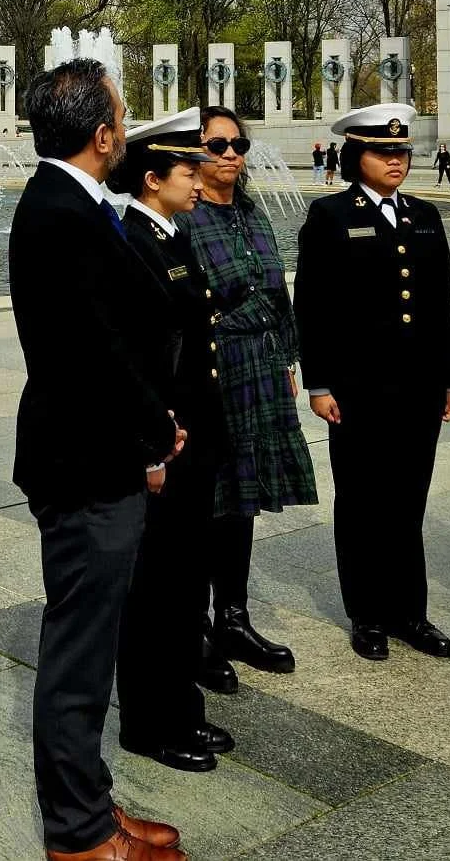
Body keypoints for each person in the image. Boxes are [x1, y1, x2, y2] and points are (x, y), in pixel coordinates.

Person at [10, 59, 186, 861]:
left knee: (90, 645)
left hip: (96, 449)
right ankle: (77, 834)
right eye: (121, 116)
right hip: (86, 459)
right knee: (79, 656)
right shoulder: (60, 213)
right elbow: (96, 353)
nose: (127, 129)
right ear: (105, 133)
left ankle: (93, 803)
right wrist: (157, 429)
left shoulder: (71, 203)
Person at [294, 103, 450, 663]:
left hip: (417, 385)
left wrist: (448, 377)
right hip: (358, 386)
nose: (396, 161)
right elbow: (311, 305)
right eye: (382, 152)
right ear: (355, 156)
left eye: (402, 151)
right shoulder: (330, 215)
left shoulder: (424, 215)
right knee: (364, 499)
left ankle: (409, 611)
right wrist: (318, 382)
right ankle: (367, 613)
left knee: (408, 498)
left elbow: (440, 303)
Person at [179, 108, 315, 693]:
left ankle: (233, 616)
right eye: (218, 144)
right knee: (210, 496)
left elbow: (276, 291)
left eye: (239, 144)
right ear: (197, 153)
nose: (231, 154)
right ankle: (197, 629)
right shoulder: (187, 218)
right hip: (217, 368)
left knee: (244, 497)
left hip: (261, 366)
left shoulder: (252, 211)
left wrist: (286, 356)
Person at [113, 108, 230, 775]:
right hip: (167, 443)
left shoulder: (173, 235)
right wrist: (150, 448)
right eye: (189, 168)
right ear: (153, 178)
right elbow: (138, 357)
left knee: (186, 583)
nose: (202, 175)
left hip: (196, 436)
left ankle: (182, 706)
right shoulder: (134, 242)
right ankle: (147, 722)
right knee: (155, 587)